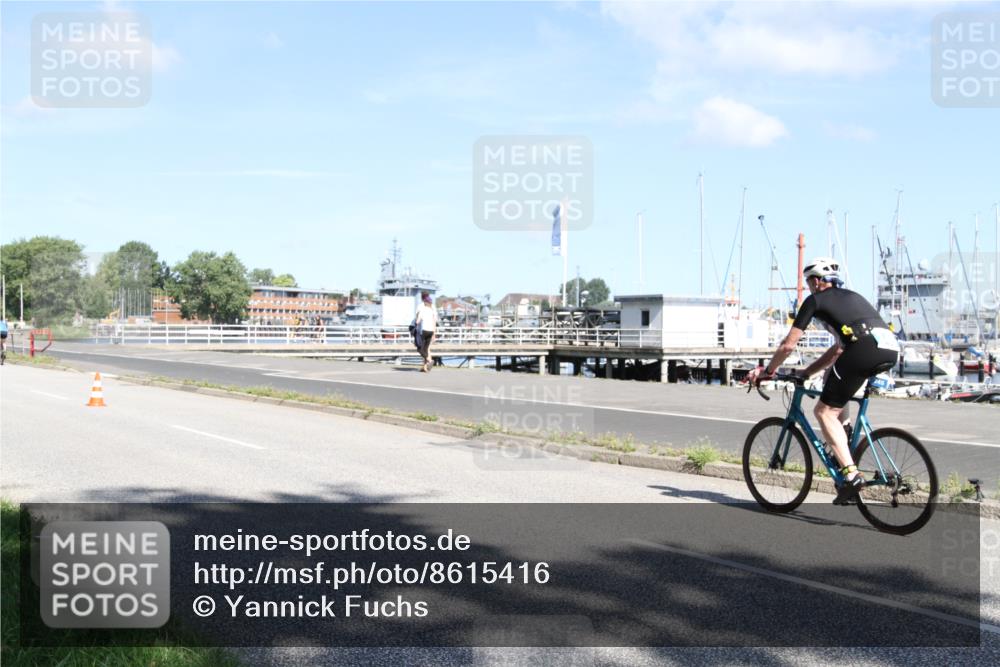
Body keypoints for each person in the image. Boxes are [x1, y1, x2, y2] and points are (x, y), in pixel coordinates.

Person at [747, 257, 900, 505]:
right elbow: (838, 350)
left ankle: (851, 475)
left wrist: (768, 371)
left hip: (863, 350)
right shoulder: (853, 297)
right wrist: (807, 372)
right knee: (833, 378)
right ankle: (845, 431)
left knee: (823, 411)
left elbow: (788, 345)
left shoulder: (815, 300)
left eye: (809, 282)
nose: (809, 287)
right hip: (889, 349)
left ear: (817, 281)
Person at [414, 292, 437, 372]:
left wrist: (415, 324)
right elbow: (434, 322)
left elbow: (417, 321)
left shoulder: (422, 308)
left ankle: (429, 361)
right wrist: (434, 334)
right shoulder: (432, 310)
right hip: (431, 331)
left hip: (423, 331)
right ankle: (425, 367)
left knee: (420, 349)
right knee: (426, 349)